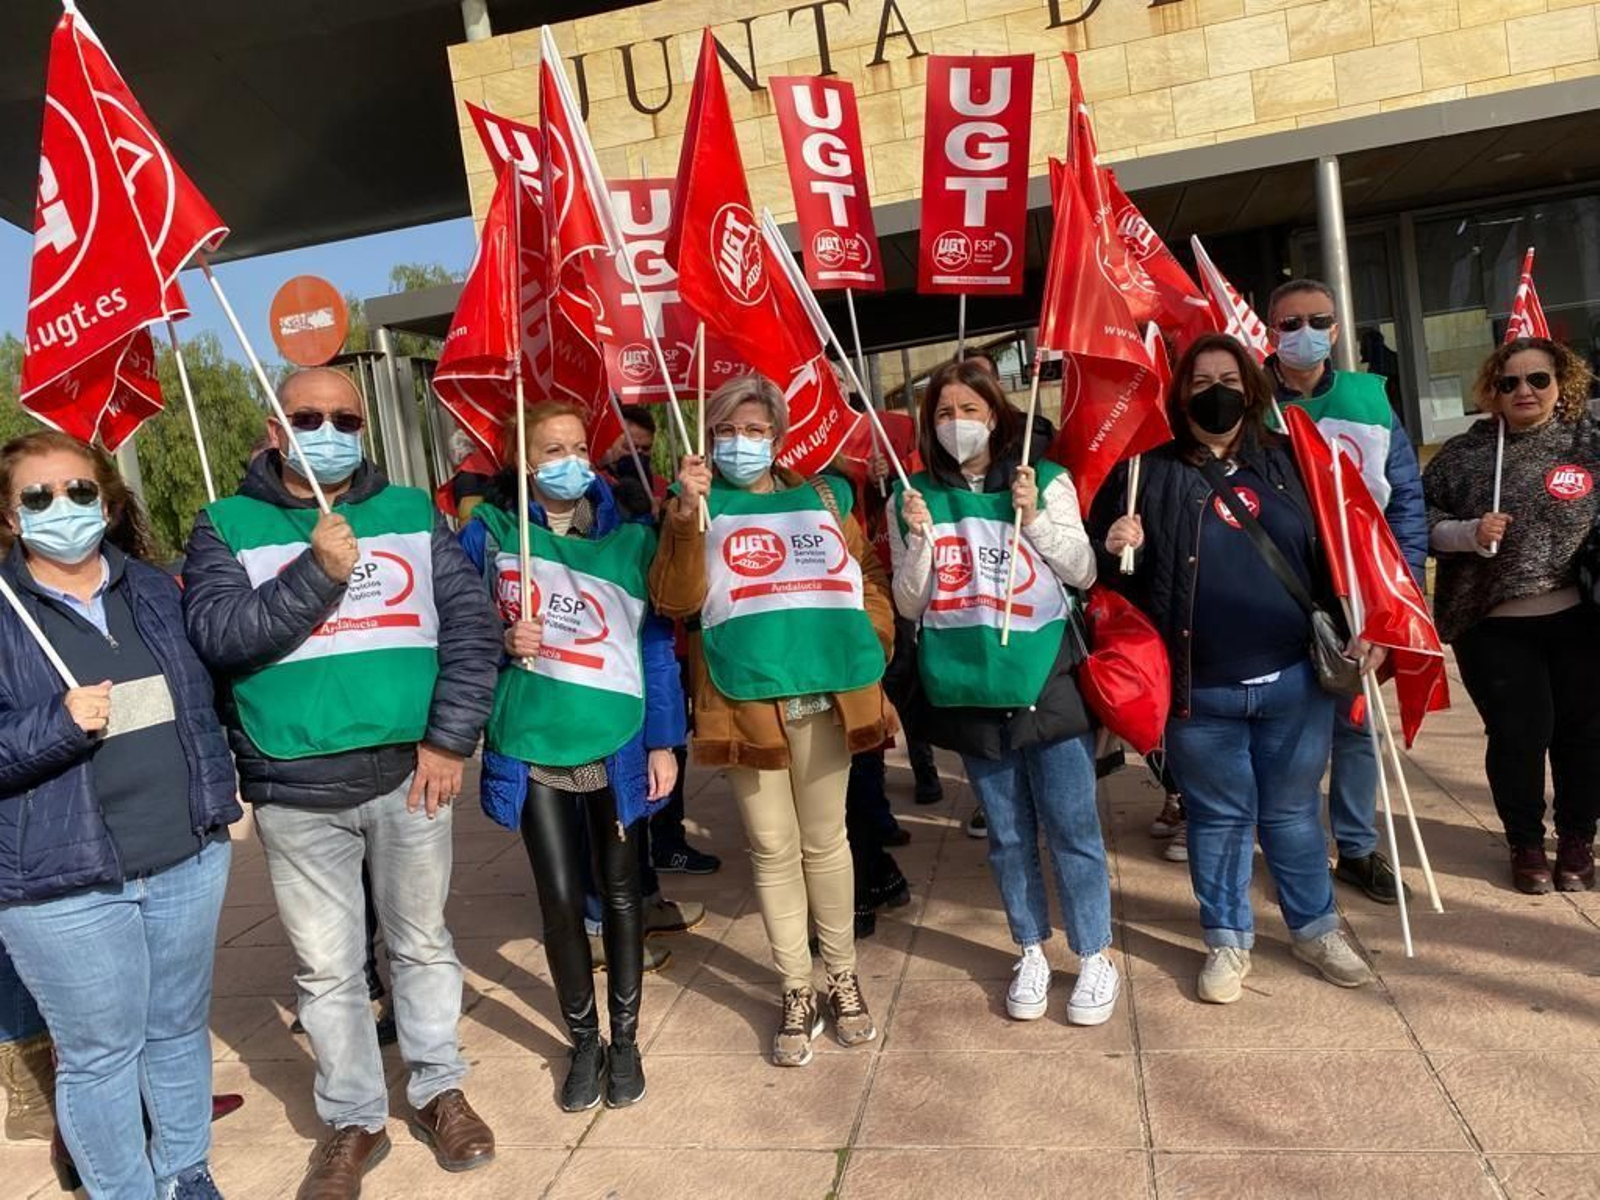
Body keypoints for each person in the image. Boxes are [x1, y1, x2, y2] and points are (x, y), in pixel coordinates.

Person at [183, 368, 502, 1199]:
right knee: (327, 971)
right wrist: (316, 573)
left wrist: (449, 739)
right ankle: (354, 1117)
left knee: (423, 943)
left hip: (411, 776)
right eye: (308, 416)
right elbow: (220, 636)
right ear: (273, 427)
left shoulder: (409, 514)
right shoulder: (226, 525)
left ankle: (437, 1091)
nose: (328, 430)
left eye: (345, 419)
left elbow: (471, 632)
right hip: (296, 786)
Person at [1093, 334, 1379, 1004]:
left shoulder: (1295, 462)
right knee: (1217, 819)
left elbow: (1349, 552)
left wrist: (1372, 626)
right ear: (1179, 393)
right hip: (1200, 690)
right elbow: (1101, 584)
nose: (1213, 392)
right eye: (1199, 381)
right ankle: (1227, 938)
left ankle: (1315, 927)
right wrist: (1112, 546)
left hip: (1293, 681)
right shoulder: (1143, 475)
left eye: (1227, 377)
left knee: (1291, 813)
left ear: (1251, 388)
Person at [0, 431, 241, 1199]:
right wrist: (57, 723)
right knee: (102, 1055)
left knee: (175, 1029)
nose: (61, 508)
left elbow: (206, 695)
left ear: (107, 500)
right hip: (63, 885)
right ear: (10, 516)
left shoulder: (152, 589)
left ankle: (185, 1172)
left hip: (185, 856)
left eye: (78, 491)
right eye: (37, 497)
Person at [649, 375, 892, 1068]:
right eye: (726, 431)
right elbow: (673, 599)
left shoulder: (822, 494)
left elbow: (867, 571)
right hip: (744, 698)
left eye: (754, 431)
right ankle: (795, 986)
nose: (740, 444)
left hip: (826, 690)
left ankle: (842, 976)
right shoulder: (692, 504)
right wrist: (685, 517)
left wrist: (872, 641)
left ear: (777, 437)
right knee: (772, 848)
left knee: (828, 842)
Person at [460, 400, 687, 1111]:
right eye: (551, 448)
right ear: (524, 461)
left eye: (578, 445)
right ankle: (582, 1040)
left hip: (615, 738)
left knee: (622, 897)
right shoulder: (489, 535)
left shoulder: (632, 540)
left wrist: (664, 740)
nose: (569, 459)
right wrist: (500, 641)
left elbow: (656, 643)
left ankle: (626, 1039)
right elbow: (456, 628)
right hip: (533, 746)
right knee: (560, 902)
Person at [888, 359, 1118, 1025]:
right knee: (1009, 834)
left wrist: (1036, 520)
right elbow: (909, 604)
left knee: (1072, 824)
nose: (957, 424)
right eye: (944, 413)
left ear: (997, 416)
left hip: (1044, 678)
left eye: (970, 410)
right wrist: (922, 539)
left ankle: (1095, 952)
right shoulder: (916, 494)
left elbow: (1083, 569)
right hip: (969, 682)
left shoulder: (1042, 480)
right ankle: (1030, 946)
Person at [1268, 280, 1428, 906]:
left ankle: (1358, 848)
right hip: (1281, 588)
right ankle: (1297, 843)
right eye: (1288, 323)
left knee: (1356, 726)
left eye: (1317, 320)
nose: (1302, 332)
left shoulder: (1370, 399)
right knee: (1289, 727)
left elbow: (1406, 500)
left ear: (1335, 329)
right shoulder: (1255, 403)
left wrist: (1401, 590)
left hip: (1361, 589)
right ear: (1270, 331)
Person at [1423, 337, 1600, 893]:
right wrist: (1467, 533)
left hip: (1582, 620)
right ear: (1492, 391)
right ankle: (1524, 841)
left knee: (1584, 735)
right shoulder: (1464, 454)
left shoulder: (1590, 442)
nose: (1524, 390)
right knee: (1520, 733)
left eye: (1538, 379)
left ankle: (1576, 837)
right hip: (1494, 623)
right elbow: (1417, 519)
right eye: (1510, 382)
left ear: (1561, 383)